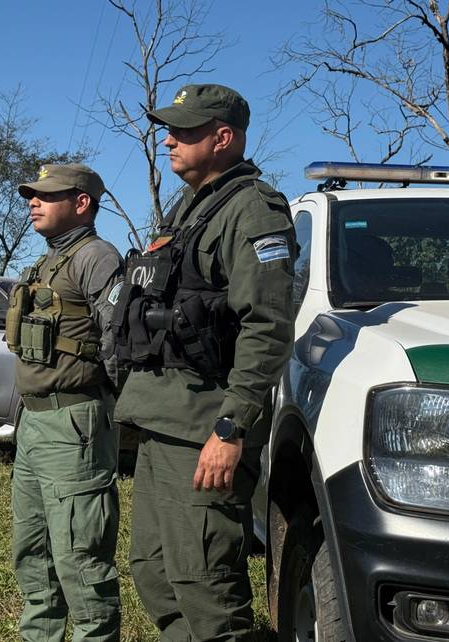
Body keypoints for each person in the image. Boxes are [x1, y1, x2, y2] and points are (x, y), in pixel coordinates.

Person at [113, 83, 296, 640]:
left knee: (205, 583)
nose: (169, 140)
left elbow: (266, 325)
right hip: (161, 416)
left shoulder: (253, 208)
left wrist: (231, 426)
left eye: (184, 130)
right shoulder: (190, 207)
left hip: (203, 425)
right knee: (156, 573)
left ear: (223, 138)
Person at [8, 163, 124, 642]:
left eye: (46, 195)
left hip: (73, 422)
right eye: (32, 195)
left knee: (80, 557)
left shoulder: (96, 257)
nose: (34, 202)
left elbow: (120, 338)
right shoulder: (45, 262)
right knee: (32, 552)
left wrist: (113, 407)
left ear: (82, 203)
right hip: (35, 423)